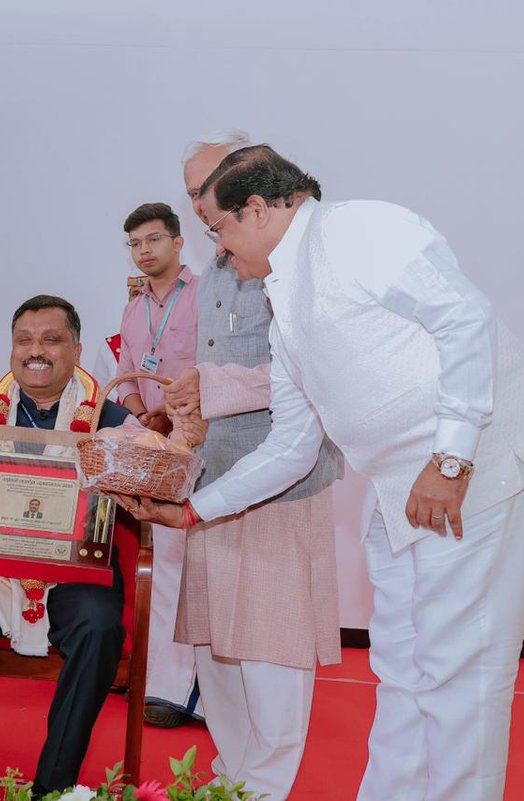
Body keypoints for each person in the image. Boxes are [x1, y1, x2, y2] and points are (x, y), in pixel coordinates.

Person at [124, 144, 524, 801]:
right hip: (398, 488)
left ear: (256, 209)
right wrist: (194, 510)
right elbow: (292, 447)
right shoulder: (286, 299)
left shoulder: (362, 228)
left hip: (476, 466)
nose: (217, 250)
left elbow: (465, 319)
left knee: (458, 672)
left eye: (216, 230)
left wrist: (451, 458)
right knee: (400, 667)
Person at [160, 131, 343, 800]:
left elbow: (306, 377)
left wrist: (212, 384)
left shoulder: (292, 266)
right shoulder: (213, 268)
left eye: (209, 195)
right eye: (191, 198)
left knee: (272, 652)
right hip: (216, 479)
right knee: (218, 655)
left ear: (250, 193)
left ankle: (264, 788)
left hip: (280, 486)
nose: (202, 212)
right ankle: (230, 782)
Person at [0, 295, 132, 796]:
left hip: (73, 569)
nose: (34, 351)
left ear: (77, 349)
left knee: (100, 626)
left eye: (51, 339)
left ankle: (54, 788)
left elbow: (145, 484)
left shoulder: (111, 420)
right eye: (24, 340)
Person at [115, 202, 202, 729]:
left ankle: (186, 691)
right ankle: (160, 683)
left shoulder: (205, 295)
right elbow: (125, 371)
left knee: (185, 564)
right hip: (150, 442)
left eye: (153, 240)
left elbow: (208, 369)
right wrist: (135, 413)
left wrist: (172, 416)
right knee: (160, 561)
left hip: (197, 440)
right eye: (135, 244)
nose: (144, 251)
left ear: (177, 241)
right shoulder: (132, 305)